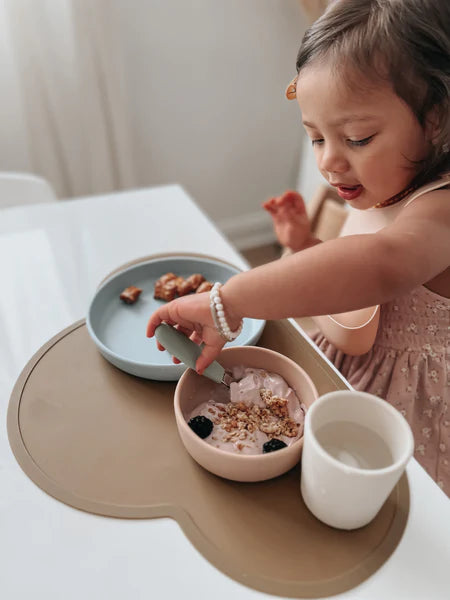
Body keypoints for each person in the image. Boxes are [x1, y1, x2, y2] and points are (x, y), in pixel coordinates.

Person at [147, 0, 450, 495]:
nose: (329, 161)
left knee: (378, 502)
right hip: (337, 365)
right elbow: (352, 275)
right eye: (315, 137)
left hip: (400, 402)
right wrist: (307, 244)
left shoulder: (441, 208)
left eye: (357, 138)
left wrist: (230, 301)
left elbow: (380, 264)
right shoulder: (385, 182)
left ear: (435, 118)